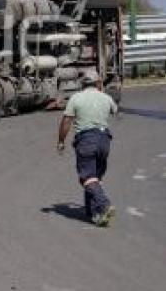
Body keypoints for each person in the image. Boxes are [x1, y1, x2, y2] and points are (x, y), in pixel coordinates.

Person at [56, 73, 118, 226]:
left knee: (86, 177)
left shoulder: (76, 98)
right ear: (97, 83)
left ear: (82, 84)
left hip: (86, 140)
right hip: (104, 139)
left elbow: (67, 120)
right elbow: (114, 110)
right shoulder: (105, 97)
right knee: (95, 177)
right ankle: (93, 212)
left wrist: (61, 141)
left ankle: (104, 205)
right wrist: (102, 91)